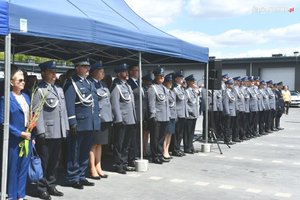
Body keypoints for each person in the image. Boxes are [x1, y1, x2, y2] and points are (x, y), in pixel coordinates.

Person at [32, 61, 69, 199]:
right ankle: (41, 188)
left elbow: (63, 110)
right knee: (44, 161)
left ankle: (51, 185)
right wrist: (40, 131)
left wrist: (65, 127)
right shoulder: (39, 90)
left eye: (55, 72)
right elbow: (37, 111)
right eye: (51, 72)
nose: (54, 75)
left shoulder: (58, 89)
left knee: (55, 160)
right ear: (43, 73)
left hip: (58, 131)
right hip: (47, 132)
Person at [63, 59, 100, 189]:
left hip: (89, 123)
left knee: (85, 151)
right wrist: (72, 122)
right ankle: (73, 177)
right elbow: (69, 104)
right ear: (77, 67)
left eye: (88, 66)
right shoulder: (71, 83)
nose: (87, 68)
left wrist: (95, 122)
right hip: (79, 123)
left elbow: (94, 103)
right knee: (75, 151)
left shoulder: (89, 82)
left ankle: (81, 175)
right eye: (84, 66)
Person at [0, 66, 32, 200]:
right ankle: (12, 195)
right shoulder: (6, 98)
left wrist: (31, 133)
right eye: (20, 80)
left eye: (23, 80)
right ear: (11, 82)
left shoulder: (26, 96)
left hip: (28, 138)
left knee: (24, 168)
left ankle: (21, 195)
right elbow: (2, 122)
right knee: (13, 169)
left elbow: (30, 117)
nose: (23, 82)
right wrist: (19, 133)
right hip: (14, 140)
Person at [110, 63, 136, 174]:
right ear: (119, 73)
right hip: (122, 120)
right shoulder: (116, 86)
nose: (127, 73)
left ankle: (124, 162)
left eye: (127, 71)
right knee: (119, 144)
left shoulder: (127, 85)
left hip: (130, 118)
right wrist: (118, 119)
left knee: (126, 143)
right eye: (124, 72)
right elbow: (115, 104)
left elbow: (131, 104)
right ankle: (118, 164)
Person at [87, 62, 112, 179]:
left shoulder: (103, 84)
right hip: (96, 118)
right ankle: (92, 168)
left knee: (100, 143)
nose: (103, 73)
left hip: (105, 118)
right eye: (101, 71)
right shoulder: (90, 84)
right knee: (93, 144)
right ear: (95, 72)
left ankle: (99, 166)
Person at [147, 67, 170, 164]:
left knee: (161, 138)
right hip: (157, 117)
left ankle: (160, 154)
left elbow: (166, 104)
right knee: (155, 138)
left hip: (164, 116)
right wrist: (153, 115)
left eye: (162, 76)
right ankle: (155, 155)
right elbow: (151, 103)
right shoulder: (152, 88)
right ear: (156, 77)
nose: (162, 78)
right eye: (160, 76)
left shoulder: (164, 88)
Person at [171, 71, 187, 157]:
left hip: (183, 113)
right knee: (176, 133)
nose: (182, 79)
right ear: (176, 79)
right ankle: (175, 149)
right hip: (177, 113)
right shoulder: (174, 88)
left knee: (180, 133)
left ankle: (178, 148)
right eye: (180, 78)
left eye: (182, 78)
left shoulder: (181, 88)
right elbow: (173, 102)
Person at [184, 74, 200, 153]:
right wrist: (190, 111)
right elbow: (185, 104)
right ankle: (187, 147)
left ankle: (190, 146)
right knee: (188, 132)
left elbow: (196, 102)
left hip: (194, 114)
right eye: (192, 81)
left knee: (191, 132)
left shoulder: (194, 91)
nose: (194, 83)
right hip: (190, 115)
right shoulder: (187, 91)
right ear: (189, 82)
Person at [163, 73, 176, 159]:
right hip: (167, 115)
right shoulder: (164, 92)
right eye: (169, 82)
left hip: (172, 115)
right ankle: (164, 151)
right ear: (165, 83)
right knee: (166, 134)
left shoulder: (172, 92)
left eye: (172, 82)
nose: (171, 84)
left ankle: (167, 150)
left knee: (170, 134)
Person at [222, 79, 236, 145]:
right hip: (229, 112)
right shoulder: (226, 92)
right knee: (227, 126)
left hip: (232, 112)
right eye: (231, 84)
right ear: (227, 85)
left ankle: (229, 138)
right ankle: (227, 139)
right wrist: (227, 112)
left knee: (230, 126)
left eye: (232, 84)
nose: (232, 85)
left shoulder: (231, 92)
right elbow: (225, 103)